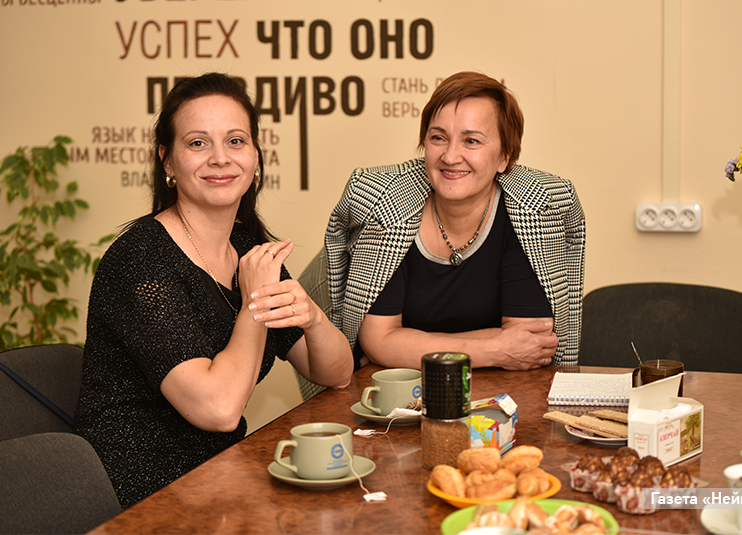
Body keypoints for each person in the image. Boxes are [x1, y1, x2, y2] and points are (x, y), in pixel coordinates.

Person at [74, 72, 353, 509]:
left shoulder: (246, 247)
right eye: (198, 143)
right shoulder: (139, 261)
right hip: (142, 496)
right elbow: (218, 410)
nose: (220, 158)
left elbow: (337, 373)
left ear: (256, 156)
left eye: (236, 141)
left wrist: (313, 317)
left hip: (222, 478)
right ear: (167, 161)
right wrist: (256, 305)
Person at [326, 71, 585, 372]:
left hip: (498, 387)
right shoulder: (385, 203)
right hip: (402, 384)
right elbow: (377, 340)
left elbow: (532, 342)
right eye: (438, 138)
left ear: (505, 157)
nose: (450, 157)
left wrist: (407, 347)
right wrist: (495, 349)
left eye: (471, 141)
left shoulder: (534, 209)